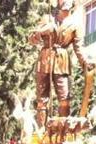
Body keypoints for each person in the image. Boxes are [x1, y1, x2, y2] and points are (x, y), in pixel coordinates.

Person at [28, 0, 89, 128]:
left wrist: (85, 62)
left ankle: (63, 131)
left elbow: (79, 47)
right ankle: (41, 131)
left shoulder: (76, 24)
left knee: (64, 99)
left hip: (62, 62)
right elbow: (31, 40)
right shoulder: (47, 18)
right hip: (45, 60)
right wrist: (42, 31)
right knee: (42, 100)